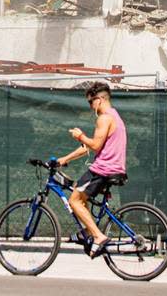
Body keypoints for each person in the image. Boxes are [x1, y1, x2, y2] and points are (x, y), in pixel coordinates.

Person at [57, 81, 126, 258]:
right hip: (111, 167)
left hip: (103, 169)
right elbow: (91, 146)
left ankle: (97, 236)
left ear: (100, 100)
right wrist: (65, 159)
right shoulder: (115, 116)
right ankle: (88, 232)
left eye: (91, 102)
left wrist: (80, 136)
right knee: (78, 193)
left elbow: (94, 145)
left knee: (74, 201)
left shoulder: (104, 118)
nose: (90, 107)